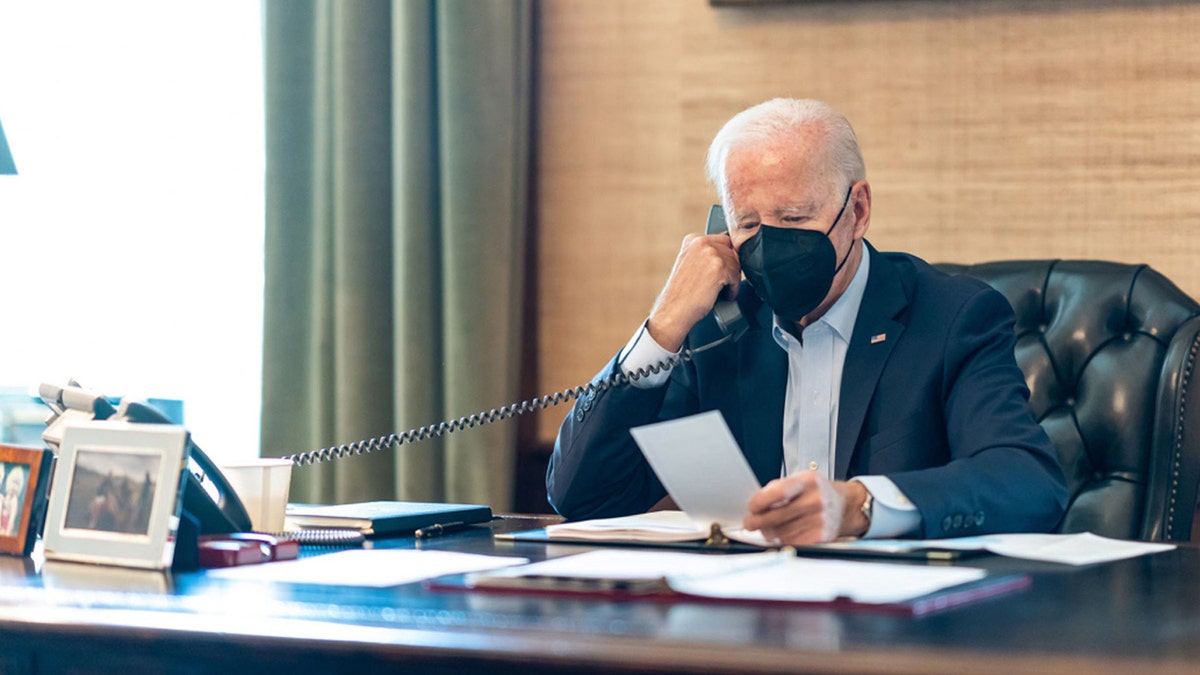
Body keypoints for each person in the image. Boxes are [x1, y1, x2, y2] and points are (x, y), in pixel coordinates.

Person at [545, 98, 1068, 544]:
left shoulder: (954, 318)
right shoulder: (717, 329)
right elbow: (584, 494)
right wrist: (662, 327)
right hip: (748, 620)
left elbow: (1028, 483)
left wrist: (860, 507)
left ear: (858, 210)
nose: (771, 244)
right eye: (748, 223)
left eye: (794, 218)